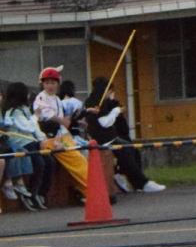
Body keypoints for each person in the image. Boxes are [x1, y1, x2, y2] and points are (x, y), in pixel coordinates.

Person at [84, 78, 165, 193]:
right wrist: (116, 111)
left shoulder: (98, 100)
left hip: (110, 137)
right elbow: (104, 122)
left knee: (132, 150)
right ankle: (141, 183)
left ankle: (126, 177)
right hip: (104, 139)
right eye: (110, 91)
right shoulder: (97, 101)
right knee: (126, 152)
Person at [32, 67, 89, 199]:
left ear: (58, 83)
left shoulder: (57, 99)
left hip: (58, 137)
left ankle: (83, 189)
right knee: (75, 161)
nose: (50, 86)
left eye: (53, 82)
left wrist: (75, 124)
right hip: (46, 139)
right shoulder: (41, 98)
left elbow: (61, 121)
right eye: (47, 83)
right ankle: (87, 189)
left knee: (80, 157)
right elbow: (50, 117)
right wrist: (69, 123)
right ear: (42, 84)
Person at [2, 83, 53, 210]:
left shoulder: (24, 109)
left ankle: (41, 192)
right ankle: (31, 193)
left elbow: (34, 128)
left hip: (31, 141)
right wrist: (35, 116)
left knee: (50, 161)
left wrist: (42, 139)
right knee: (39, 162)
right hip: (21, 142)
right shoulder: (13, 112)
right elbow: (28, 127)